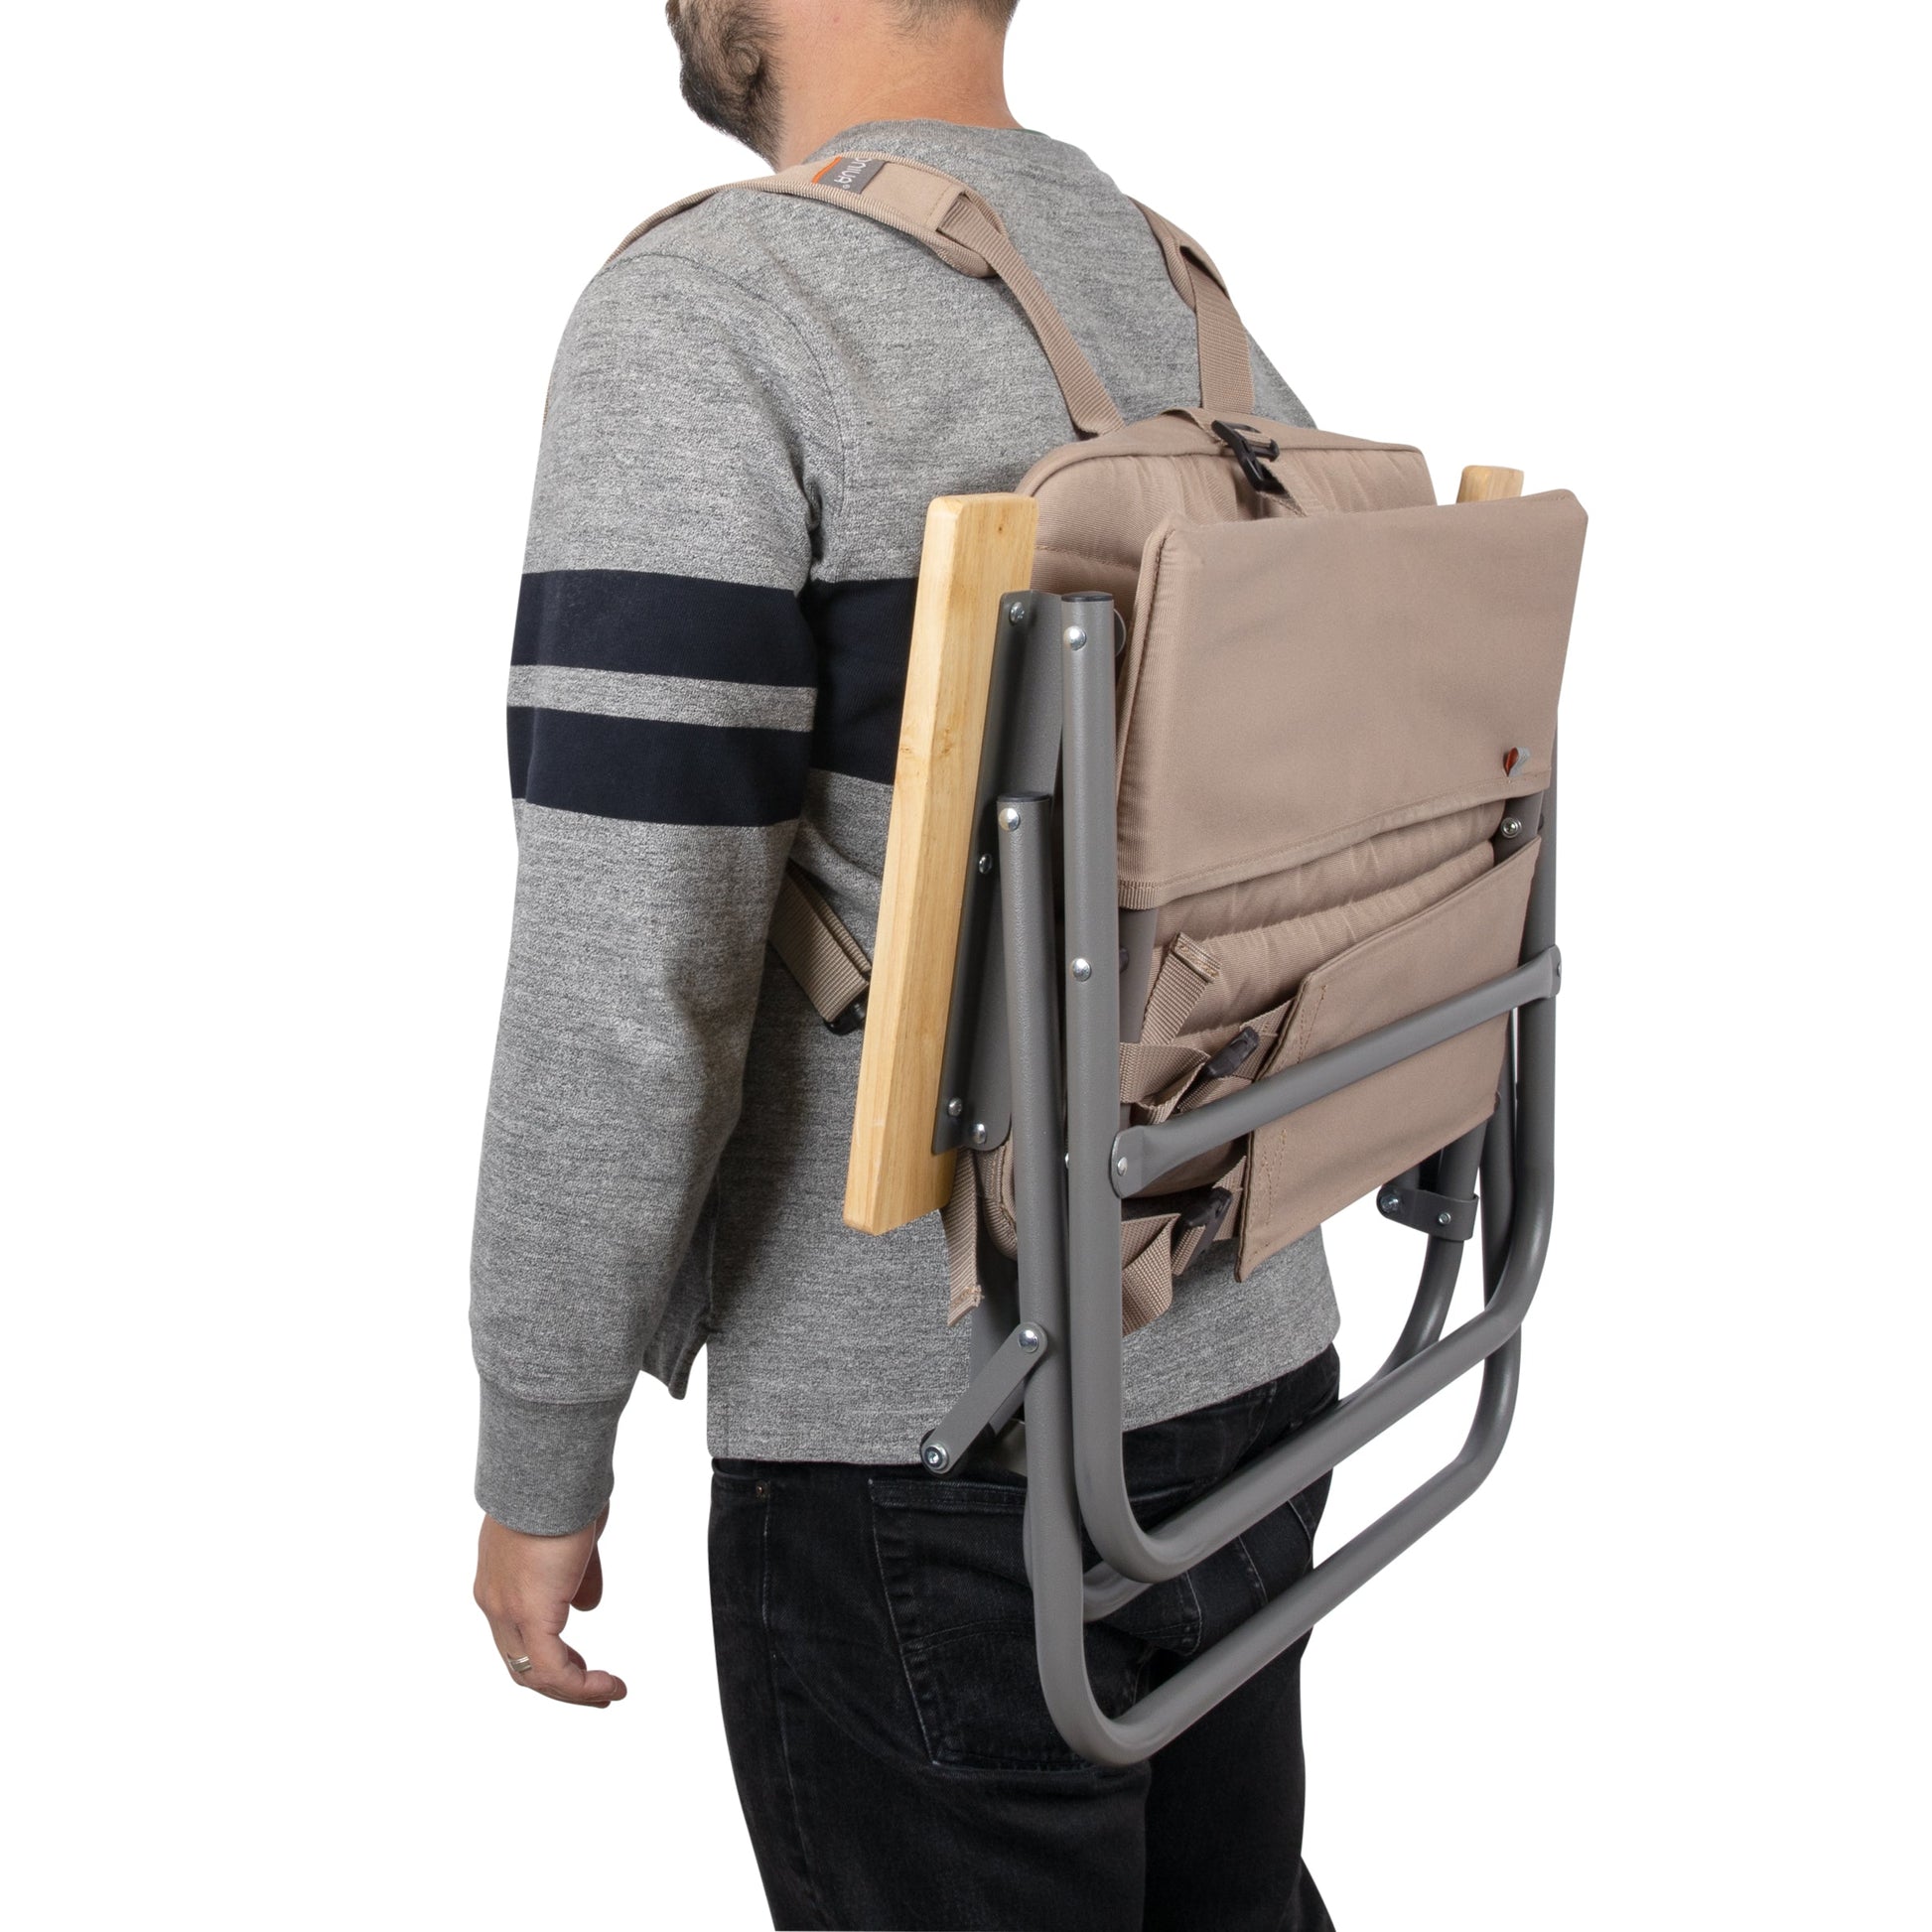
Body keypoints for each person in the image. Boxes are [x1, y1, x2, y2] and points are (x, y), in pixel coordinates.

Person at [471, 2, 1340, 1924]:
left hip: (930, 1427)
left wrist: (541, 1443)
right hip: (1257, 1359)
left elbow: (629, 965)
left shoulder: (717, 312)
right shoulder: (1184, 298)